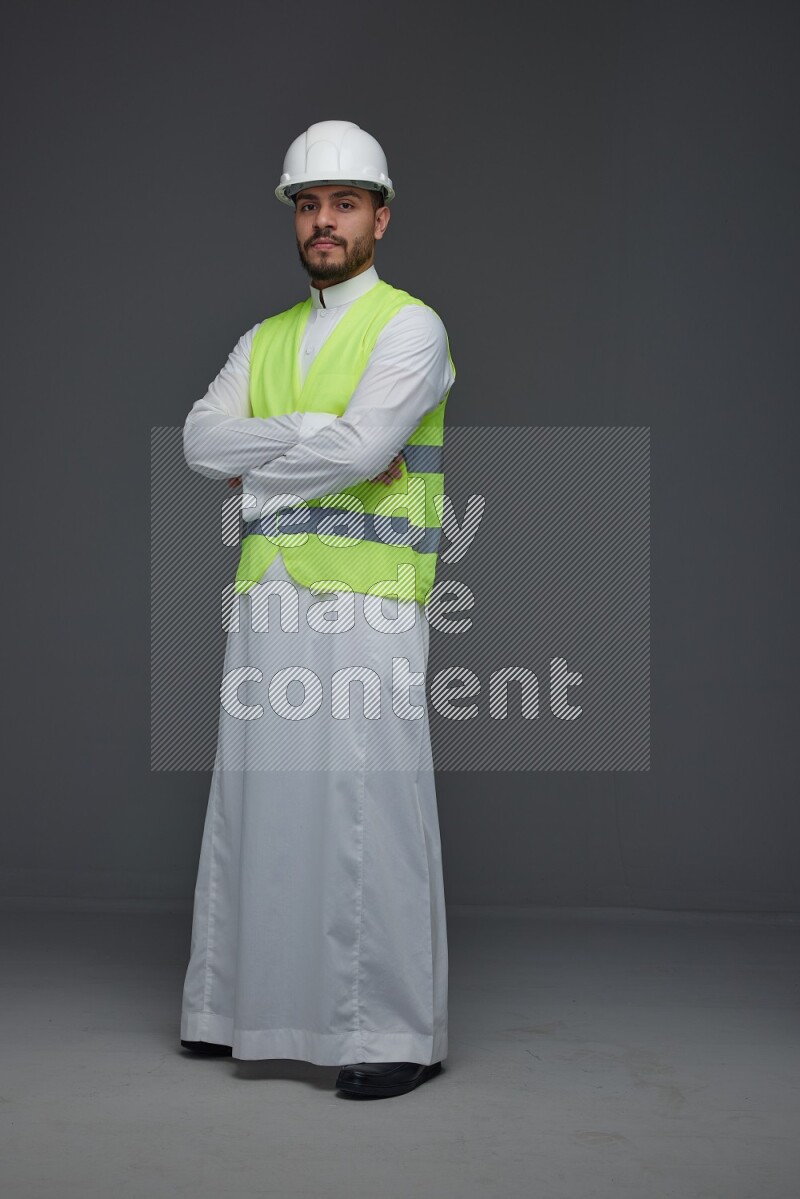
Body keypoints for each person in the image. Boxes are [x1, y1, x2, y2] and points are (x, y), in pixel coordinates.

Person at [179, 120, 455, 1099]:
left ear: (379, 214)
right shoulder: (263, 339)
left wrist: (260, 482)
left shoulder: (410, 326)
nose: (323, 220)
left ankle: (395, 1029)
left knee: (365, 806)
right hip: (269, 593)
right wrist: (308, 435)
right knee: (256, 795)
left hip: (369, 598)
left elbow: (366, 442)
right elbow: (200, 441)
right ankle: (229, 1006)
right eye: (308, 204)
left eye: (342, 203)